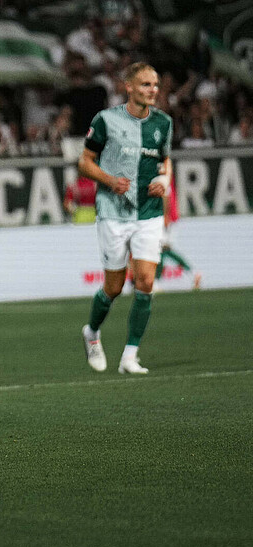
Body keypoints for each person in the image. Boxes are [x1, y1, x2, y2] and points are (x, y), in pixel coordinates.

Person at [79, 62, 173, 375]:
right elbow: (85, 162)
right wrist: (109, 180)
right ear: (129, 87)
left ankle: (129, 357)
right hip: (113, 212)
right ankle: (92, 332)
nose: (153, 90)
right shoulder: (106, 120)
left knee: (145, 282)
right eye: (146, 84)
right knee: (114, 287)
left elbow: (165, 161)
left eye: (156, 84)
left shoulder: (163, 123)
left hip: (148, 213)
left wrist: (166, 181)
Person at [155, 161, 201, 290]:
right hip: (169, 218)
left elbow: (166, 197)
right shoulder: (167, 177)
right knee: (164, 250)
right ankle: (192, 274)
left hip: (166, 219)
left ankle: (157, 283)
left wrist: (165, 216)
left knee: (161, 250)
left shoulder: (162, 179)